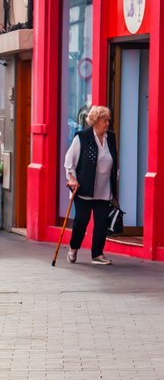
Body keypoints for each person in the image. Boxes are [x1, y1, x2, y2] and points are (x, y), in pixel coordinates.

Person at [64, 104, 118, 265]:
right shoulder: (82, 138)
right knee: (82, 220)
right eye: (104, 120)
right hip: (84, 188)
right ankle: (73, 249)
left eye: (108, 120)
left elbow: (114, 161)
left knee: (101, 222)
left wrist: (116, 179)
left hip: (104, 189)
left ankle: (97, 254)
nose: (107, 123)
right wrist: (72, 179)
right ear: (95, 121)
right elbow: (69, 161)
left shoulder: (111, 138)